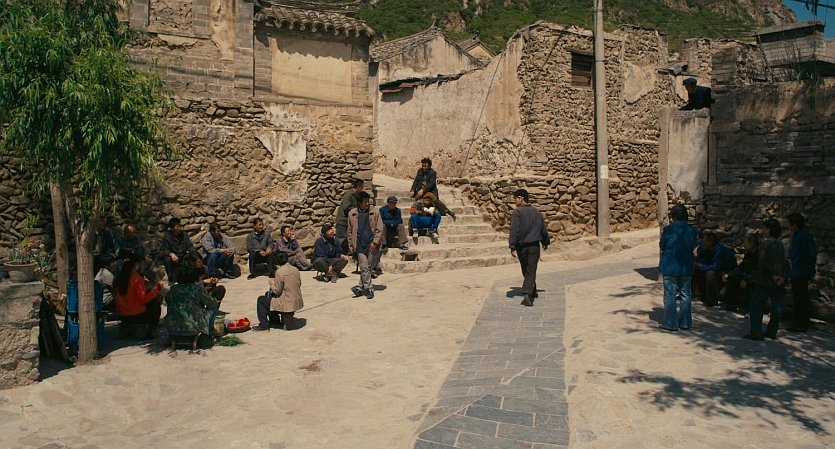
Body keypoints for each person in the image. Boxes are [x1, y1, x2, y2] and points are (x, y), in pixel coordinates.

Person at [745, 218, 789, 341]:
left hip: (765, 280)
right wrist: (783, 276)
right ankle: (772, 331)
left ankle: (756, 332)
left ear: (769, 230)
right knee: (776, 308)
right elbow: (786, 262)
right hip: (779, 281)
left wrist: (772, 275)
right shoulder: (782, 245)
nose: (762, 231)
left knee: (756, 306)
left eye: (764, 228)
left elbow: (763, 262)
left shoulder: (766, 244)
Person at [659, 204, 697, 331]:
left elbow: (662, 245)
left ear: (673, 217)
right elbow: (693, 246)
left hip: (670, 266)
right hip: (686, 266)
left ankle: (670, 323)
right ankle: (685, 322)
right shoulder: (692, 230)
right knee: (686, 295)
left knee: (670, 295)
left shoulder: (668, 230)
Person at [508, 189, 549, 307]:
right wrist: (545, 241)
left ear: (521, 199)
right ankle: (532, 289)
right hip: (534, 246)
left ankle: (527, 294)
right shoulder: (537, 212)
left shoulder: (517, 213)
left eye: (515, 198)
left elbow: (514, 230)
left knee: (526, 269)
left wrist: (512, 246)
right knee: (530, 269)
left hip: (522, 247)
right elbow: (543, 229)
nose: (515, 201)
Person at [114, 251, 163, 339]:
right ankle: (151, 330)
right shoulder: (137, 278)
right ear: (136, 265)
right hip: (136, 314)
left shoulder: (119, 277)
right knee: (155, 304)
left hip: (122, 313)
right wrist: (156, 290)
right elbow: (143, 299)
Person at [161, 263, 219, 336]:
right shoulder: (197, 289)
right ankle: (207, 333)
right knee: (213, 307)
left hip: (172, 328)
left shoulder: (173, 290)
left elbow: (168, 301)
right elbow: (212, 303)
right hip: (194, 328)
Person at [254, 253, 304, 331]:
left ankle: (264, 325)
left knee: (261, 300)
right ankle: (275, 321)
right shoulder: (295, 269)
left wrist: (271, 283)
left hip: (287, 302)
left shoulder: (279, 272)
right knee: (267, 294)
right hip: (296, 299)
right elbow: (299, 284)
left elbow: (277, 291)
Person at [347, 191, 383, 299]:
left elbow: (379, 228)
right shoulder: (352, 213)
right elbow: (350, 231)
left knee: (367, 267)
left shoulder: (375, 212)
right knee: (364, 266)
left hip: (372, 244)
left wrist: (375, 242)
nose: (367, 204)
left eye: (368, 201)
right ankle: (369, 288)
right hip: (359, 244)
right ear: (359, 203)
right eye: (365, 202)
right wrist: (351, 244)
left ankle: (360, 287)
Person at [787, 213, 816, 332]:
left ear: (795, 224)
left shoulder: (803, 236)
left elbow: (809, 255)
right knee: (798, 297)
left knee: (800, 298)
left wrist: (808, 271)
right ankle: (799, 321)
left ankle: (801, 322)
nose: (789, 227)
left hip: (801, 271)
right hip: (797, 270)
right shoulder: (799, 235)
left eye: (790, 224)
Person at [693, 232, 737, 307]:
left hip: (727, 271)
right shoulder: (707, 249)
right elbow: (702, 259)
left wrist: (702, 266)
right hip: (717, 269)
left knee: (710, 273)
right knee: (697, 269)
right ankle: (699, 295)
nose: (703, 243)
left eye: (704, 242)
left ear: (709, 243)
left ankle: (712, 299)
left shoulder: (720, 251)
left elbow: (716, 266)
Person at [722, 233, 759, 312]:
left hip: (755, 278)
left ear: (752, 243)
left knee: (750, 285)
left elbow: (759, 271)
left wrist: (746, 279)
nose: (743, 245)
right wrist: (729, 274)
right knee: (731, 279)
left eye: (745, 242)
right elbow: (741, 267)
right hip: (746, 276)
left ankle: (746, 308)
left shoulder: (759, 255)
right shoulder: (748, 253)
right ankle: (730, 304)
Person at [160, 217, 197, 284]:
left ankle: (193, 276)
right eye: (177, 227)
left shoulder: (184, 234)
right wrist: (171, 254)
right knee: (167, 259)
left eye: (180, 226)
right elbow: (164, 250)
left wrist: (192, 250)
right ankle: (171, 279)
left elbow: (189, 245)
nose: (179, 228)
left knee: (193, 254)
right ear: (172, 228)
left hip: (183, 255)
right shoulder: (167, 237)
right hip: (174, 256)